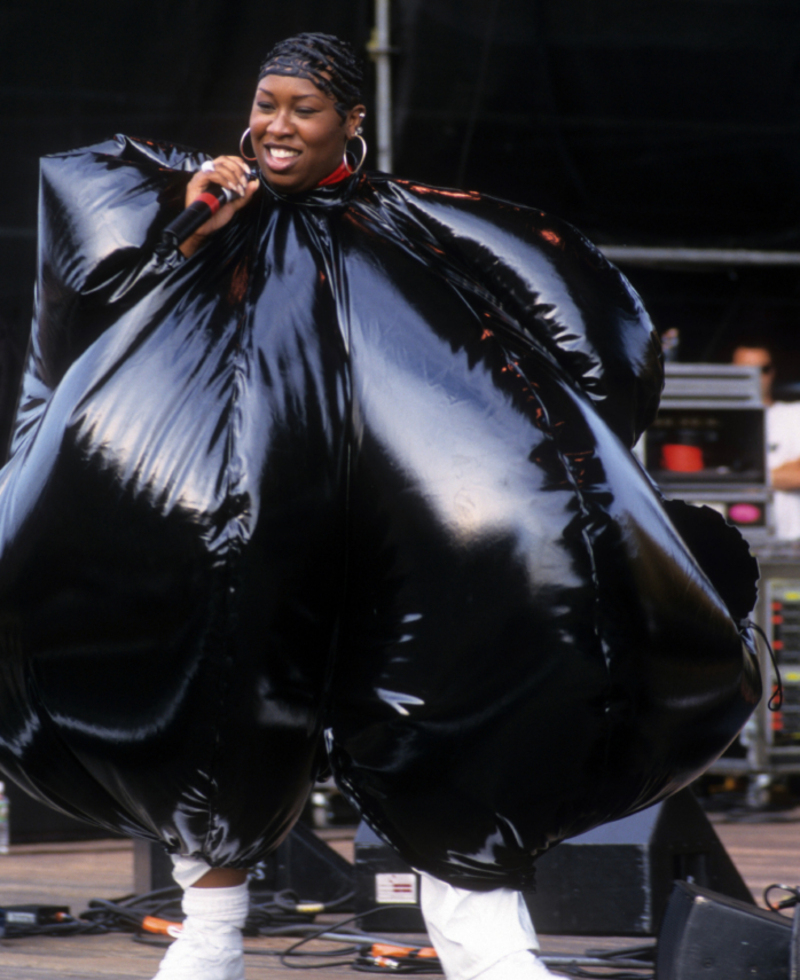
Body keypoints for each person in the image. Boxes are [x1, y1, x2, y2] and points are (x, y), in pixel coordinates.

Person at [0, 33, 759, 980]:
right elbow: (89, 296)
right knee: (216, 698)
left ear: (352, 122)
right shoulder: (207, 216)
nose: (276, 126)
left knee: (456, 711)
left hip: (406, 536)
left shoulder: (404, 231)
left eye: (302, 109)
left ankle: (492, 952)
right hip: (246, 532)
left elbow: (587, 339)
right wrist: (197, 221)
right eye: (266, 103)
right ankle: (210, 942)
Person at [732, 344, 800, 539]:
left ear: (773, 373)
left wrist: (743, 479)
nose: (754, 377)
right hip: (731, 544)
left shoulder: (795, 414)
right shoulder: (716, 422)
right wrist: (779, 474)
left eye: (762, 369)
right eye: (744, 371)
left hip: (790, 546)